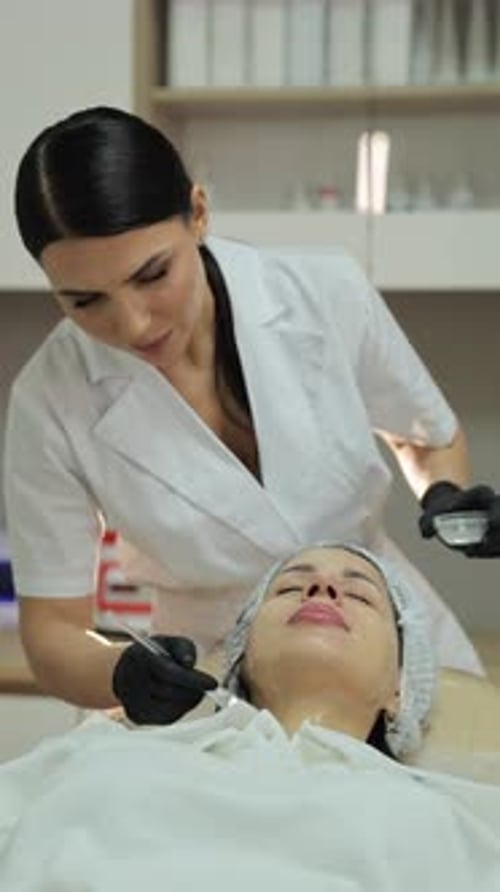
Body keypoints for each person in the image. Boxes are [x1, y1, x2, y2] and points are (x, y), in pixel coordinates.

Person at [5, 105, 500, 717]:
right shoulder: (49, 400)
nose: (131, 323)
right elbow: (53, 631)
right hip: (209, 673)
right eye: (84, 301)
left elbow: (422, 436)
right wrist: (124, 673)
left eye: (153, 274)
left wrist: (444, 492)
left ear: (200, 213)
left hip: (380, 643)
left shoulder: (324, 290)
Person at [1, 543, 500, 891]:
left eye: (362, 594)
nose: (322, 587)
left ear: (400, 686)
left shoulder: (445, 819)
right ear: (240, 657)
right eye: (288, 589)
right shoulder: (102, 756)